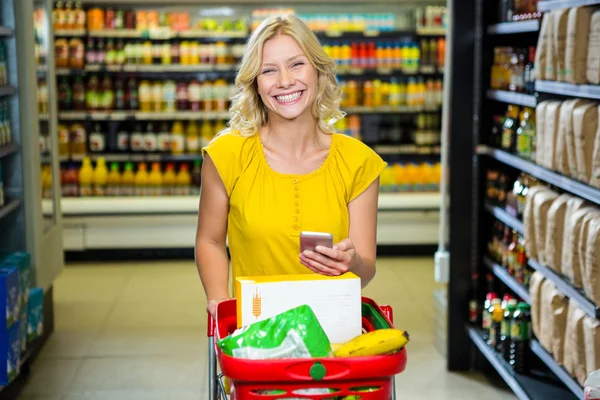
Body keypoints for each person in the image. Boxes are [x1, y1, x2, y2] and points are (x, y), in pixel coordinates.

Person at [196, 14, 387, 318]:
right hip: (255, 329)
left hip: (331, 328)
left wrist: (351, 263)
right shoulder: (226, 154)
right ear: (255, 84)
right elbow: (210, 240)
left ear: (318, 71)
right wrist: (219, 299)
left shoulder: (358, 162)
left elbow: (365, 270)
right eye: (268, 70)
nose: (285, 81)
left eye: (297, 64)